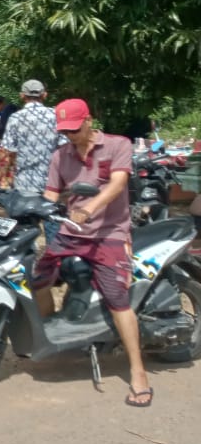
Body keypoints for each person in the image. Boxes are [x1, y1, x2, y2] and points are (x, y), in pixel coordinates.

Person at [32, 99, 151, 407]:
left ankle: (139, 373)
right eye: (64, 131)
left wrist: (89, 208)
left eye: (74, 129)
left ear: (88, 121)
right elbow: (51, 192)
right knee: (38, 280)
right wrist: (33, 208)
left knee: (116, 299)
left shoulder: (117, 145)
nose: (70, 135)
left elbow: (117, 184)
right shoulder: (60, 155)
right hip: (73, 233)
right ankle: (53, 341)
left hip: (110, 234)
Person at [2, 79, 63, 242]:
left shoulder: (15, 118)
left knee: (23, 234)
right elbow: (65, 148)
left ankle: (24, 264)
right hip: (52, 185)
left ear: (22, 96)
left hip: (24, 185)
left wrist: (6, 178)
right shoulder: (56, 116)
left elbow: (9, 152)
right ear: (44, 95)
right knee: (53, 231)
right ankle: (53, 264)